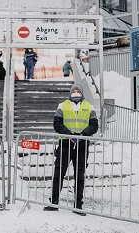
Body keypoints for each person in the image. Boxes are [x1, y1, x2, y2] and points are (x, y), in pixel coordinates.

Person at [43, 84, 98, 216]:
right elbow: (57, 124)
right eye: (73, 90)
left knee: (79, 177)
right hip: (66, 145)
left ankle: (78, 205)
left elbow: (94, 125)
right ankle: (54, 203)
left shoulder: (89, 107)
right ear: (70, 92)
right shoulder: (62, 106)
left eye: (78, 90)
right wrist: (69, 134)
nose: (76, 91)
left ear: (82, 92)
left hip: (82, 146)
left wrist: (83, 135)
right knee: (58, 175)